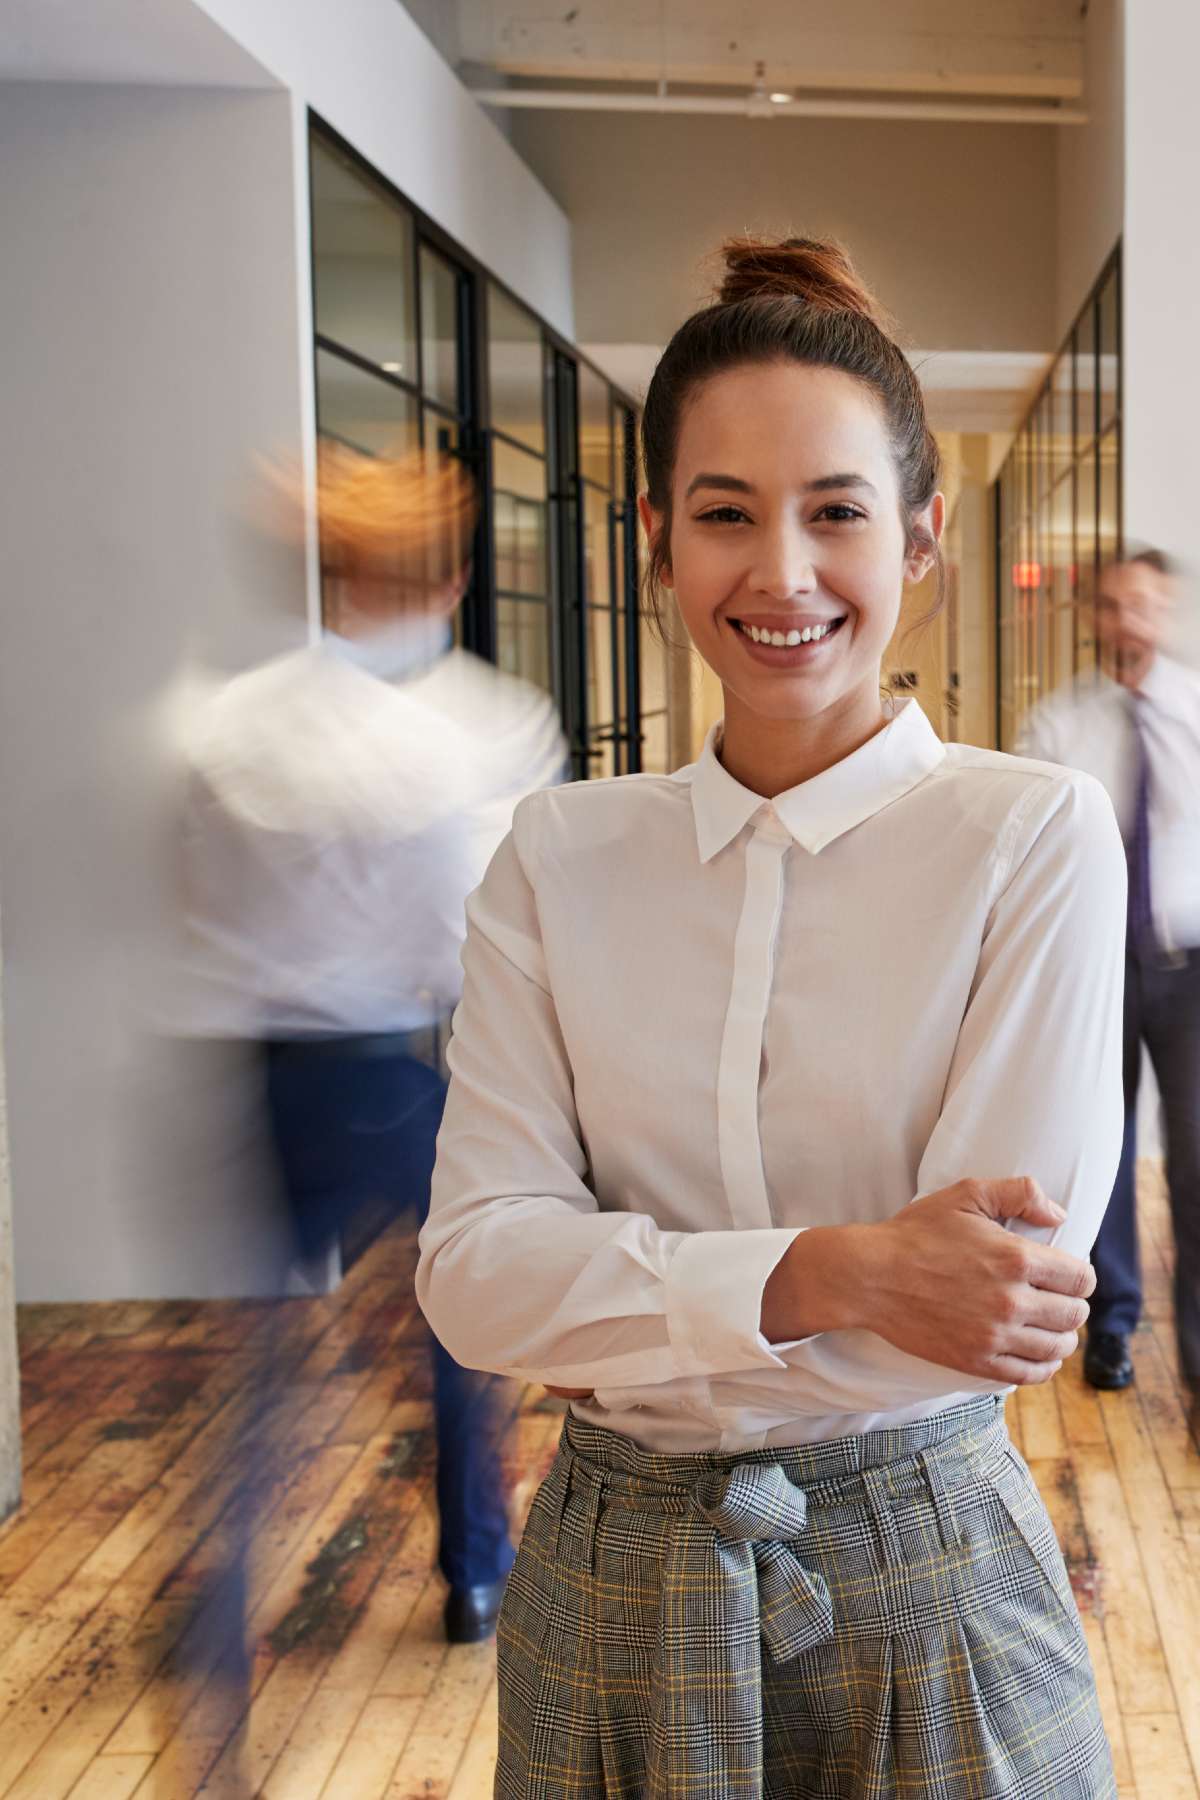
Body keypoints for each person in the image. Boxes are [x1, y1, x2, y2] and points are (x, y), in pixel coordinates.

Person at [417, 238, 1126, 1795]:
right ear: (659, 542)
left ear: (923, 538)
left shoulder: (1033, 835)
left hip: (929, 1567)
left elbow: (998, 1292)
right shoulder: (558, 855)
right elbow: (475, 1277)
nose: (782, 575)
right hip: (610, 1578)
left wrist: (630, 1300)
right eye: (726, 515)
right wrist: (842, 1269)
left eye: (837, 514)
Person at [181, 445, 566, 1647]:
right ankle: (477, 1576)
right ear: (453, 580)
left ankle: (225, 1593)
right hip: (403, 1069)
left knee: (255, 1367)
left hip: (263, 1073)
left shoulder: (225, 720)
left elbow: (195, 905)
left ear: (330, 570)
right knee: (462, 1332)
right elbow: (486, 935)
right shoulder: (486, 732)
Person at [1019, 551, 1200, 1403]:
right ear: (1092, 615)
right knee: (1108, 1146)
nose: (1130, 621)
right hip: (1095, 963)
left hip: (1191, 964)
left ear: (1162, 615)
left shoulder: (1197, 709)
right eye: (1115, 605)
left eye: (1145, 605)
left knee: (1196, 1156)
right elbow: (1029, 848)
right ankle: (1114, 1323)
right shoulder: (1057, 727)